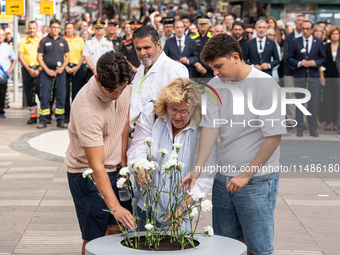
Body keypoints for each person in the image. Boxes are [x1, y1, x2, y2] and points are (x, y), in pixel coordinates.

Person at [182, 34, 287, 255]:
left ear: (236, 57)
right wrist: (197, 170)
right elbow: (210, 129)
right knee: (225, 246)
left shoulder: (266, 86)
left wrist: (246, 175)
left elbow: (273, 138)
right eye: (212, 67)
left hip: (257, 181)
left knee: (259, 248)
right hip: (223, 178)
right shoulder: (215, 84)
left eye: (219, 66)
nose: (215, 72)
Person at [65, 51, 135, 255]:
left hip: (116, 169)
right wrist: (114, 205)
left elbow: (124, 121)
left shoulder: (123, 83)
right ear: (97, 78)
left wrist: (123, 161)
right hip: (87, 175)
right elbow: (96, 166)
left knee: (117, 230)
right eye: (111, 90)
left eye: (121, 89)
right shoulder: (87, 107)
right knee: (94, 238)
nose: (117, 94)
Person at [127, 78, 212, 230]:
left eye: (185, 111)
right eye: (173, 109)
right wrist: (139, 167)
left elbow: (206, 173)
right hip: (146, 206)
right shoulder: (152, 114)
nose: (178, 117)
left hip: (180, 209)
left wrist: (183, 207)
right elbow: (137, 147)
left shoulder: (204, 126)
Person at [130, 26, 189, 119]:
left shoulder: (174, 70)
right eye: (138, 49)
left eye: (146, 47)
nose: (142, 53)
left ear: (158, 45)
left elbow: (179, 113)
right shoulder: (139, 71)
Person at [287, 20, 327, 137]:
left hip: (313, 77)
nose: (305, 31)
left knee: (313, 103)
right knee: (300, 103)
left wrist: (315, 63)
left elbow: (323, 59)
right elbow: (289, 58)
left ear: (311, 30)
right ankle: (300, 128)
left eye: (307, 28)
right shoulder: (295, 42)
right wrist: (300, 63)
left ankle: (313, 129)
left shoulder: (318, 42)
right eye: (303, 28)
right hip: (300, 76)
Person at [37, 19, 70, 129]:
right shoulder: (44, 41)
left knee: (61, 95)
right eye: (53, 27)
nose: (55, 29)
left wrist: (62, 68)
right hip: (46, 72)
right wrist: (47, 70)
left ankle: (60, 120)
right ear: (49, 28)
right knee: (44, 95)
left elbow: (67, 57)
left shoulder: (63, 41)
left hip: (60, 72)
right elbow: (39, 58)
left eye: (57, 27)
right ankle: (43, 120)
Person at [283, 14, 305, 129]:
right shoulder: (289, 37)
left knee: (303, 97)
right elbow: (286, 56)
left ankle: (303, 121)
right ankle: (291, 122)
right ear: (295, 22)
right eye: (299, 20)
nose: (301, 22)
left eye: (303, 20)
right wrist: (296, 67)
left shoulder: (307, 38)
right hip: (290, 71)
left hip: (303, 72)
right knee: (290, 97)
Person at [18, 21, 42, 124]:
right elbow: (21, 57)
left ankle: (45, 115)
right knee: (29, 93)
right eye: (30, 28)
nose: (32, 30)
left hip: (39, 69)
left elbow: (45, 57)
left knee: (42, 93)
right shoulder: (23, 41)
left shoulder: (42, 41)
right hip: (27, 69)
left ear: (37, 29)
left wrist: (39, 69)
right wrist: (29, 69)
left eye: (33, 28)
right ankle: (33, 116)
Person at [64, 22, 85, 123]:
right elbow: (60, 55)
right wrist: (66, 66)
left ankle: (76, 116)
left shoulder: (80, 40)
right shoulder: (62, 40)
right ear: (65, 30)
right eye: (67, 28)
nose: (69, 30)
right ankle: (66, 115)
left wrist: (77, 67)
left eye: (71, 28)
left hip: (78, 67)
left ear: (74, 29)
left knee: (77, 93)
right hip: (65, 68)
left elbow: (83, 55)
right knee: (65, 93)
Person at [320, 26, 340, 131]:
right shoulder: (325, 47)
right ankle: (328, 122)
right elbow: (321, 62)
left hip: (338, 76)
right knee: (328, 99)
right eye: (333, 34)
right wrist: (321, 76)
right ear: (330, 35)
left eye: (337, 33)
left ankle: (336, 122)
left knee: (337, 99)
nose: (335, 36)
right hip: (328, 76)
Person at [0, 29, 17, 118]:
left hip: (3, 75)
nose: (0, 36)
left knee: (2, 93)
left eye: (2, 35)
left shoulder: (7, 47)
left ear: (4, 36)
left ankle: (1, 111)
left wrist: (10, 69)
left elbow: (14, 59)